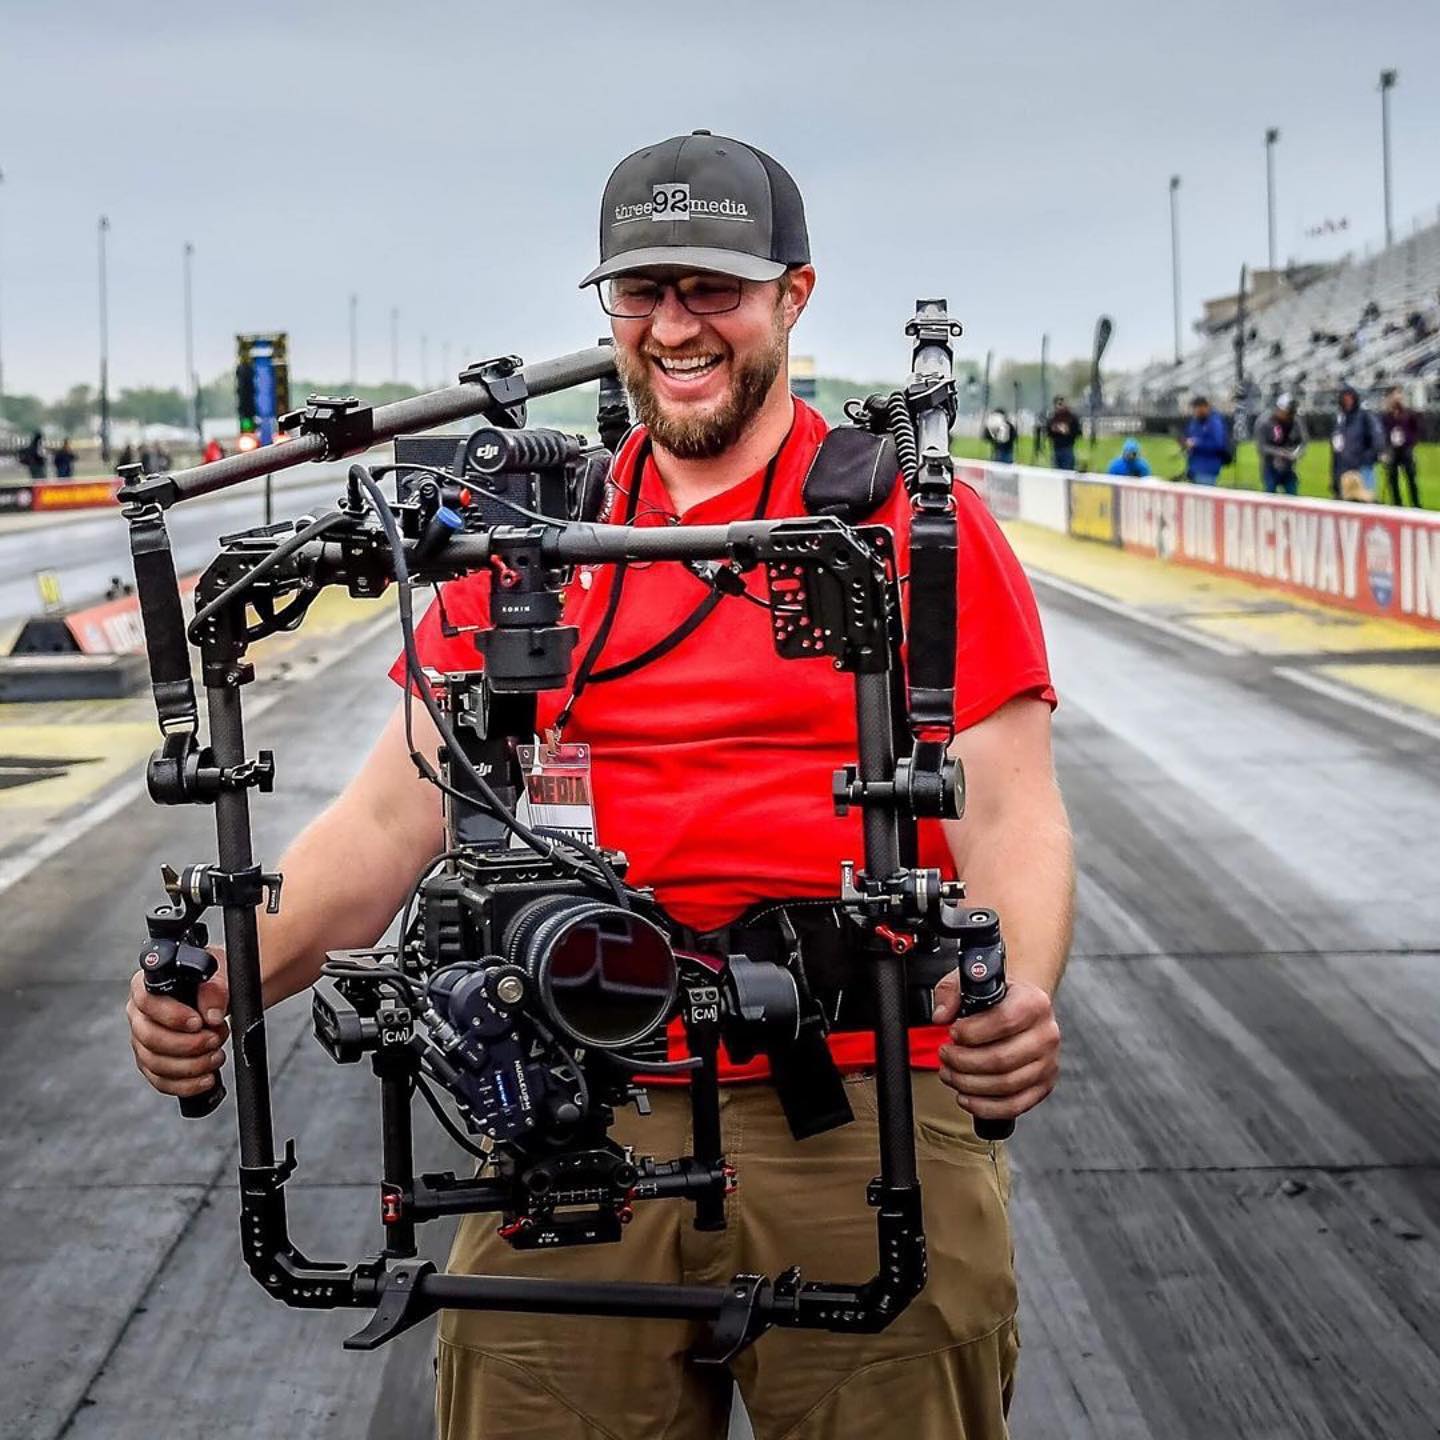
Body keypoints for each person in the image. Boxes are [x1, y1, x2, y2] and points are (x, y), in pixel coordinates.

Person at [126, 131, 1073, 1440]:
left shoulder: (910, 526)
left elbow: (1011, 807)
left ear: (794, 296)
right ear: (610, 313)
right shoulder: (517, 543)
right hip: (575, 1112)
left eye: (712, 289)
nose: (675, 325)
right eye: (643, 293)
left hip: (859, 1102)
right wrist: (233, 975)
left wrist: (1014, 993)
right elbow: (389, 820)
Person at [1331, 383, 1383, 500]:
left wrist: (1369, 457)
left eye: (1350, 398)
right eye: (1345, 399)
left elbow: (1377, 439)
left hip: (1362, 467)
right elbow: (1336, 448)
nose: (1348, 402)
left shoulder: (1365, 416)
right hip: (1344, 468)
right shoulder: (1340, 419)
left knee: (1366, 500)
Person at [1256, 393, 1307, 496]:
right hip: (1270, 466)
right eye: (1288, 411)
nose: (1290, 414)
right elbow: (1261, 446)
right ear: (1279, 409)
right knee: (1270, 495)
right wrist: (1278, 452)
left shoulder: (1296, 421)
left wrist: (1297, 452)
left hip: (1289, 467)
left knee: (1292, 495)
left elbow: (1303, 441)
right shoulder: (1265, 422)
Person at [1380, 387, 1421, 507]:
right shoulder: (1386, 415)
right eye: (1394, 395)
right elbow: (1383, 432)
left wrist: (1411, 442)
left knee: (1411, 478)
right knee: (1393, 479)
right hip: (1392, 450)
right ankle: (1397, 504)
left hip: (1406, 449)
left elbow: (1415, 429)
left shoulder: (1408, 413)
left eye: (1398, 394)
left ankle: (1416, 504)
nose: (1397, 397)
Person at [1182, 395, 1229, 485]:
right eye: (1194, 408)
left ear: (1205, 407)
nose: (1195, 411)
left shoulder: (1214, 422)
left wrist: (1196, 444)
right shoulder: (1195, 422)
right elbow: (1190, 436)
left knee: (1204, 495)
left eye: (1197, 408)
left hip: (1207, 468)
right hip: (1194, 466)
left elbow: (1217, 445)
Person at [1045, 396, 1080, 470]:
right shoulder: (1052, 418)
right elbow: (1048, 432)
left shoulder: (1072, 418)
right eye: (1058, 404)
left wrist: (1067, 431)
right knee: (1056, 473)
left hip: (1067, 448)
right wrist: (1054, 429)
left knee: (1067, 472)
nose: (1059, 406)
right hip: (1055, 449)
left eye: (1061, 404)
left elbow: (1077, 432)